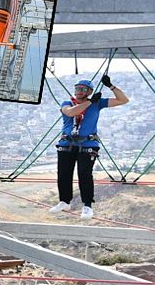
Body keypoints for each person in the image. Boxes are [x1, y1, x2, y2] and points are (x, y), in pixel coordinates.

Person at [49, 75, 128, 219]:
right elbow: (72, 112)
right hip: (67, 143)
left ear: (89, 91)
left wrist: (111, 86)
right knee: (63, 174)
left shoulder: (98, 104)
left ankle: (87, 205)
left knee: (84, 174)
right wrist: (90, 102)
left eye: (83, 89)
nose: (79, 91)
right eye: (77, 88)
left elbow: (123, 100)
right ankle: (64, 201)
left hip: (88, 143)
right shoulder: (68, 103)